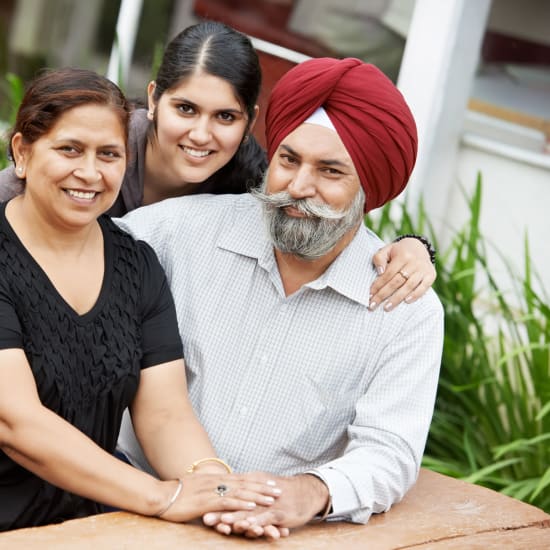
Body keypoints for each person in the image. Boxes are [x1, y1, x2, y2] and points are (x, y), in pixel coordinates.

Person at [116, 57, 444, 536]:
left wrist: (311, 492)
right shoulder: (173, 233)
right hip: (129, 509)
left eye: (330, 172)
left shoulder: (403, 310)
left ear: (368, 190)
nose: (298, 186)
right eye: (288, 160)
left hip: (272, 534)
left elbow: (390, 451)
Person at [0, 67, 281, 531]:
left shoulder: (137, 264)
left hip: (90, 523)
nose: (89, 172)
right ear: (23, 153)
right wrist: (161, 495)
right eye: (70, 149)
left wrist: (220, 491)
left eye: (108, 154)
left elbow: (165, 413)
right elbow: (16, 423)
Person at [0, 21, 436, 309]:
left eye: (225, 117)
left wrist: (415, 247)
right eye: (186, 109)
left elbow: (317, 212)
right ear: (153, 99)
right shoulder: (102, 149)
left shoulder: (250, 183)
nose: (201, 135)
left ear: (251, 121)